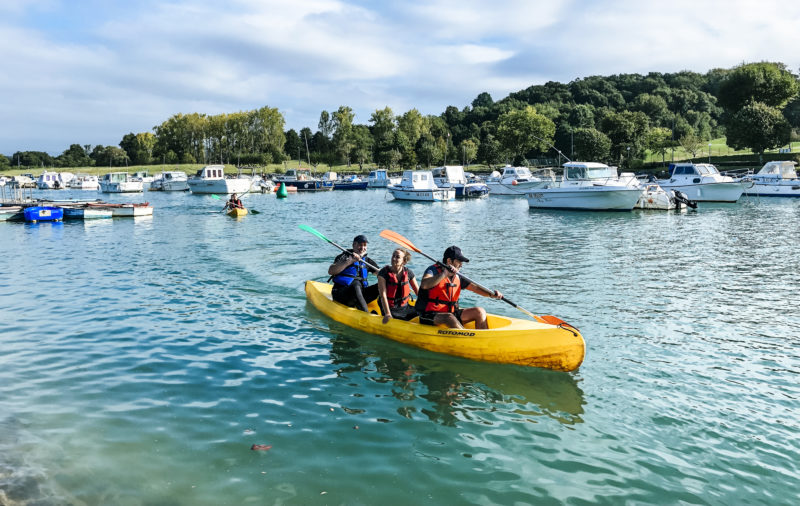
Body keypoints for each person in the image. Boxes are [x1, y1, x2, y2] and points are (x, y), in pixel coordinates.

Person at [416, 246, 502, 330]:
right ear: (449, 261)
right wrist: (444, 274)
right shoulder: (432, 270)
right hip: (429, 315)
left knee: (479, 311)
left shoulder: (458, 276)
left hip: (451, 312)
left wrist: (491, 295)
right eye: (459, 261)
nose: (461, 264)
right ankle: (468, 339)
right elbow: (424, 284)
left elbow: (475, 288)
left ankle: (483, 338)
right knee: (449, 318)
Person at [328, 234, 379, 312]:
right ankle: (366, 314)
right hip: (342, 295)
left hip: (361, 295)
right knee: (356, 284)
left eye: (365, 245)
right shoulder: (345, 256)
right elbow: (331, 271)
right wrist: (350, 261)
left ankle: (388, 312)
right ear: (354, 245)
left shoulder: (367, 261)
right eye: (360, 245)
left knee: (382, 285)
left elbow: (380, 273)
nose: (362, 248)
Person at [377, 248, 420, 324]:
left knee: (422, 313)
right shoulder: (383, 273)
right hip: (390, 308)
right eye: (393, 256)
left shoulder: (409, 273)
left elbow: (418, 293)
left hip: (405, 307)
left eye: (397, 257)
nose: (394, 258)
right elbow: (383, 296)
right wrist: (387, 313)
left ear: (404, 261)